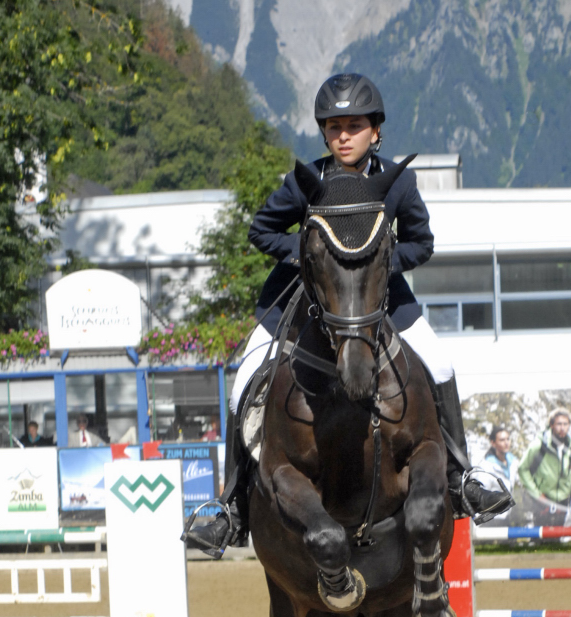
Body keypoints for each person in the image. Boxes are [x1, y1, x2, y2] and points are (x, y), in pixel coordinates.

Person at [188, 73, 513, 557]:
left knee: (440, 363)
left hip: (382, 299)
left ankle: (460, 476)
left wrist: (373, 269)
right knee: (243, 382)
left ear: (375, 130)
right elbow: (262, 230)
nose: (343, 136)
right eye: (334, 127)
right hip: (306, 295)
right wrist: (312, 260)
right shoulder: (307, 181)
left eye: (354, 126)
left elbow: (421, 243)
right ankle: (231, 505)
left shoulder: (397, 182)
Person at [518, 407, 571, 526]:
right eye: (559, 424)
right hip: (542, 500)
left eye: (565, 424)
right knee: (540, 534)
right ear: (551, 425)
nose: (562, 428)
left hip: (563, 500)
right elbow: (522, 469)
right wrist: (537, 494)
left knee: (558, 533)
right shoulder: (539, 445)